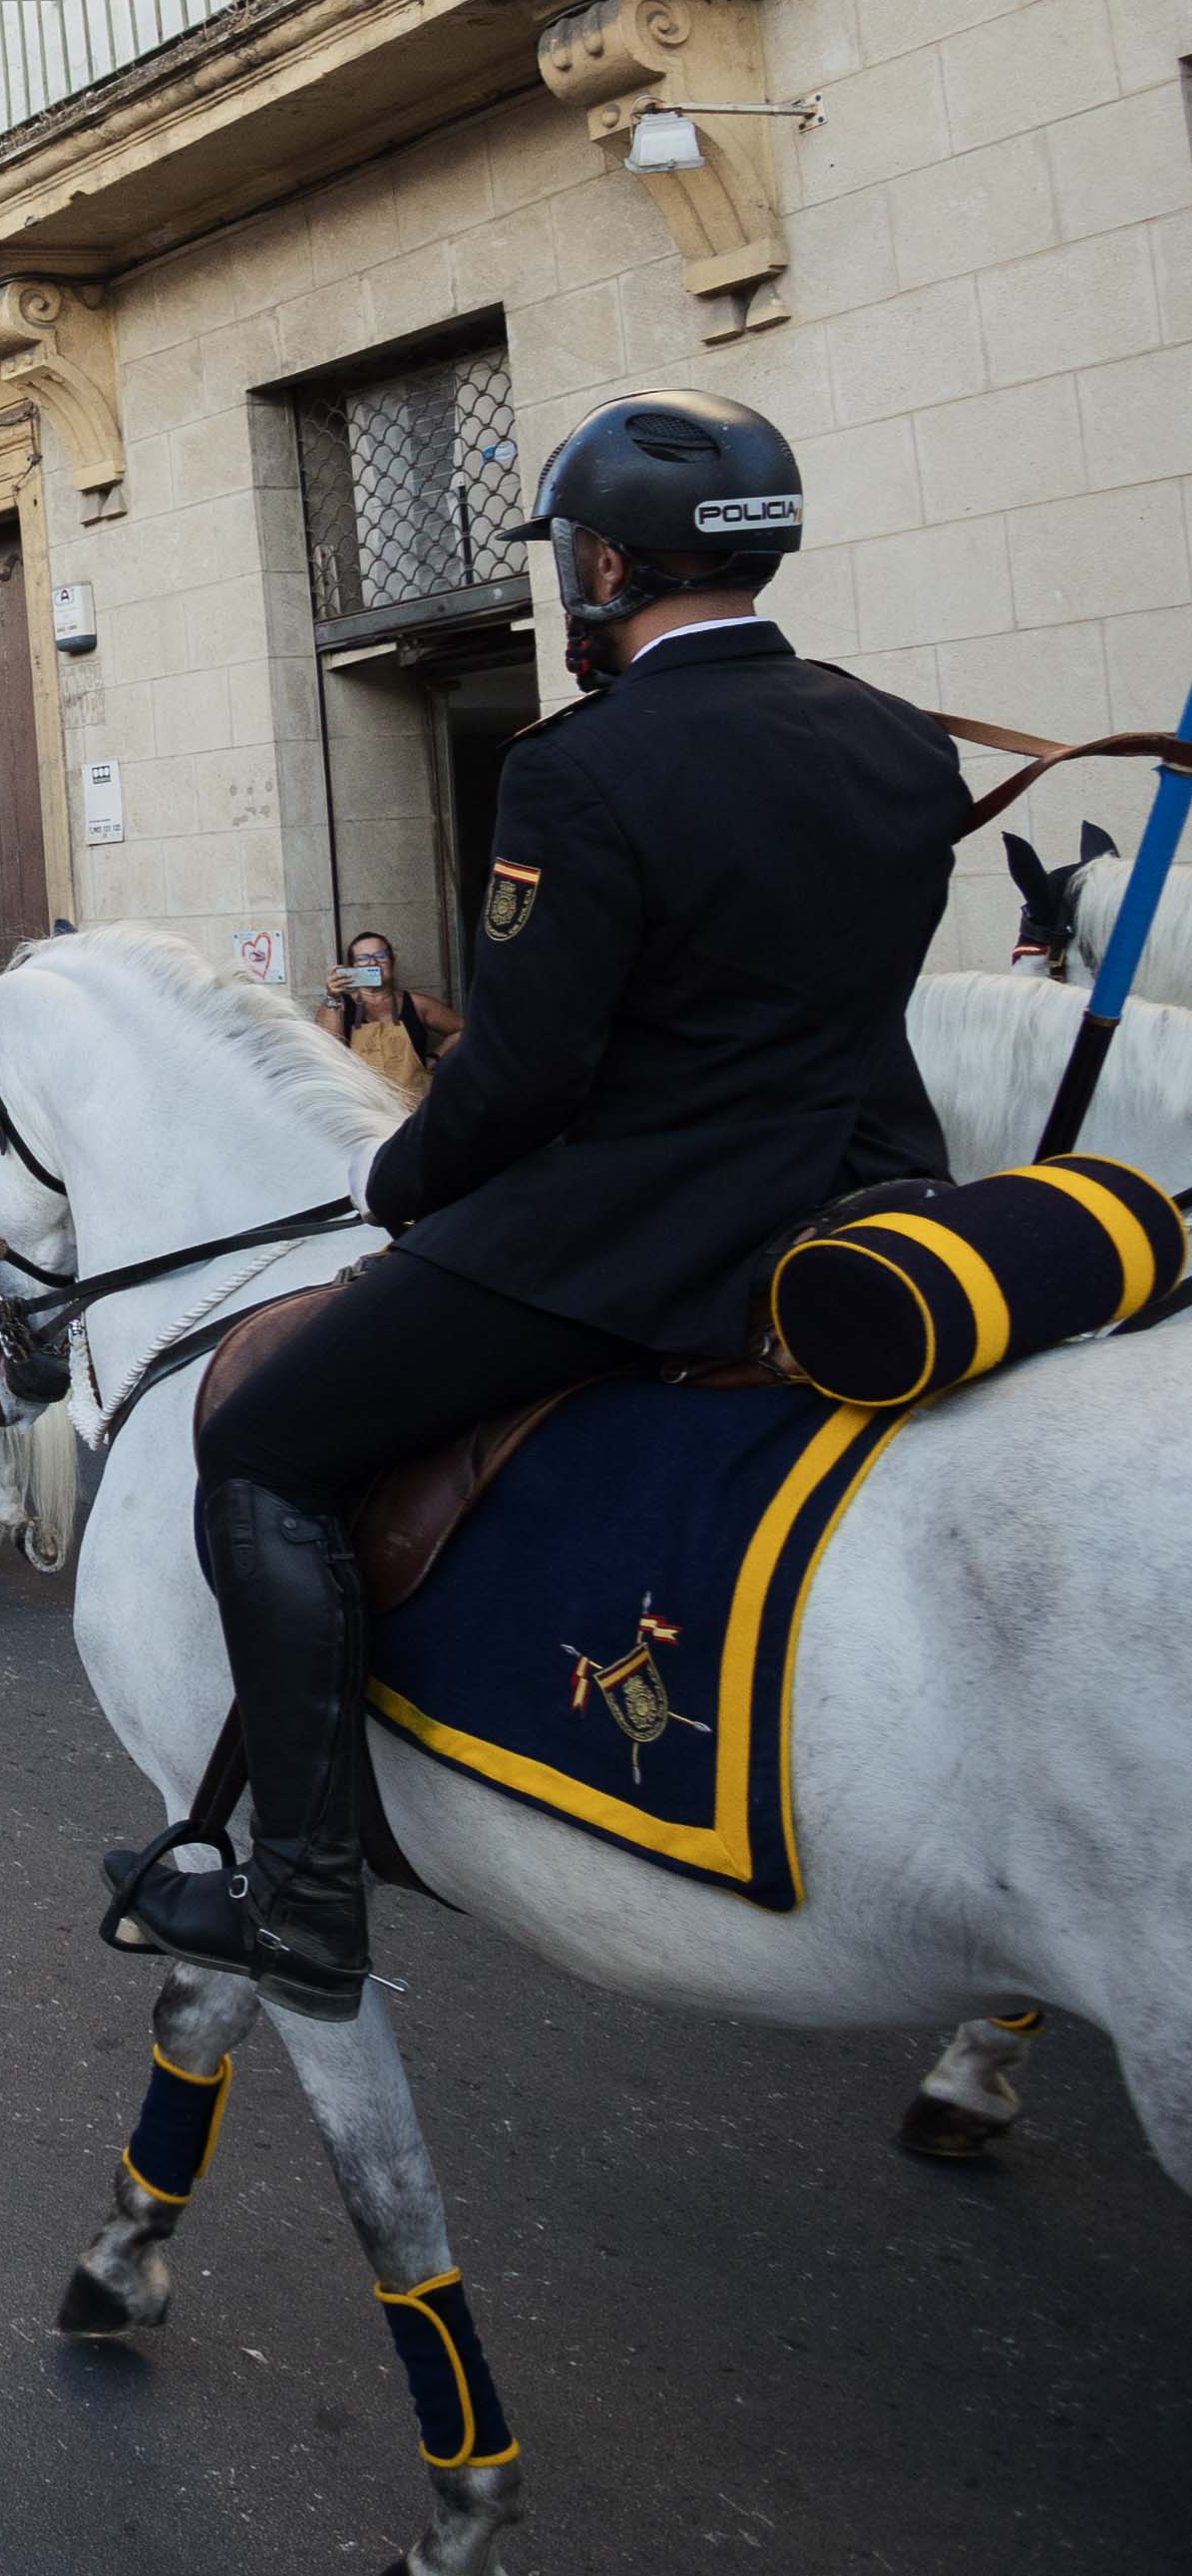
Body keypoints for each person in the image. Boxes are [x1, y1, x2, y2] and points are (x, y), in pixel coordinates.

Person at [96, 392, 957, 2021]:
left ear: (612, 563)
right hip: (872, 1198)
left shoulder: (581, 767)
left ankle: (304, 1895)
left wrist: (400, 1175)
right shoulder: (899, 740)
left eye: (570, 554)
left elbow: (528, 1075)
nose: (567, 584)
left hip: (634, 1242)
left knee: (267, 1439)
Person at [320, 933, 463, 1091]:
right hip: (364, 1107)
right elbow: (328, 1050)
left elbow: (463, 1030)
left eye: (380, 956)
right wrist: (332, 997)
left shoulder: (417, 1004)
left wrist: (435, 1058)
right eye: (363, 958)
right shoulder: (339, 1006)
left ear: (392, 961)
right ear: (352, 967)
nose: (373, 962)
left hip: (413, 1108)